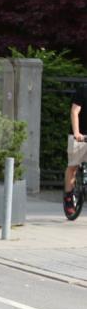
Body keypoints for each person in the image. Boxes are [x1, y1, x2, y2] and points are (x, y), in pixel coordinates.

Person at [64, 83, 87, 214]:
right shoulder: (83, 90)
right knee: (73, 167)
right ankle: (68, 197)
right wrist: (77, 133)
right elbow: (74, 111)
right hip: (80, 135)